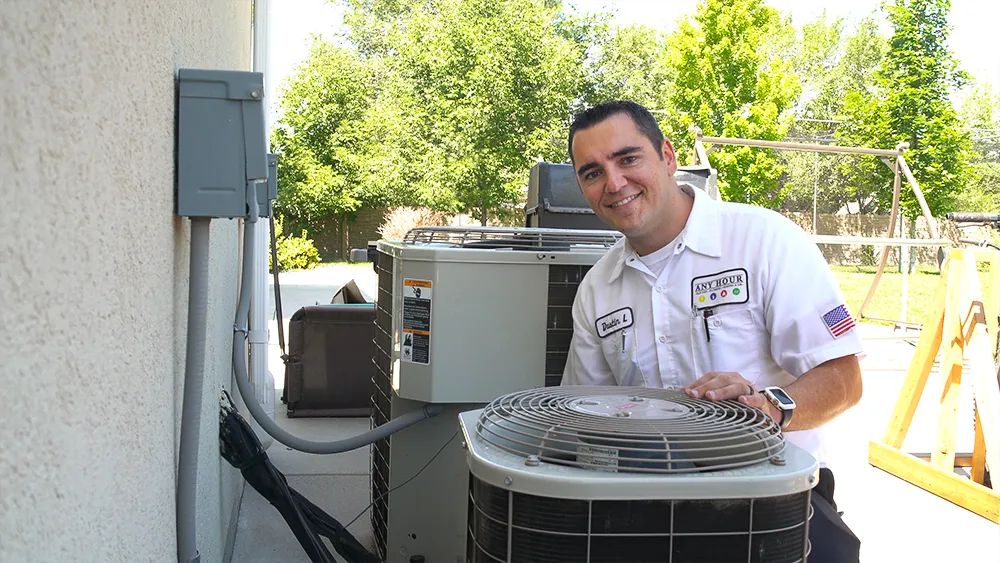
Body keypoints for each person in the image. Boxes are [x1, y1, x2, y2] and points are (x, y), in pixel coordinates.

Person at [560, 100, 864, 562]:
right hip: (647, 502)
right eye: (592, 172)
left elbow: (844, 380)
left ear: (667, 156)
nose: (614, 183)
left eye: (627, 158)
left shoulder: (764, 241)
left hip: (776, 496)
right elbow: (585, 416)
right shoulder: (598, 290)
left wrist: (769, 408)